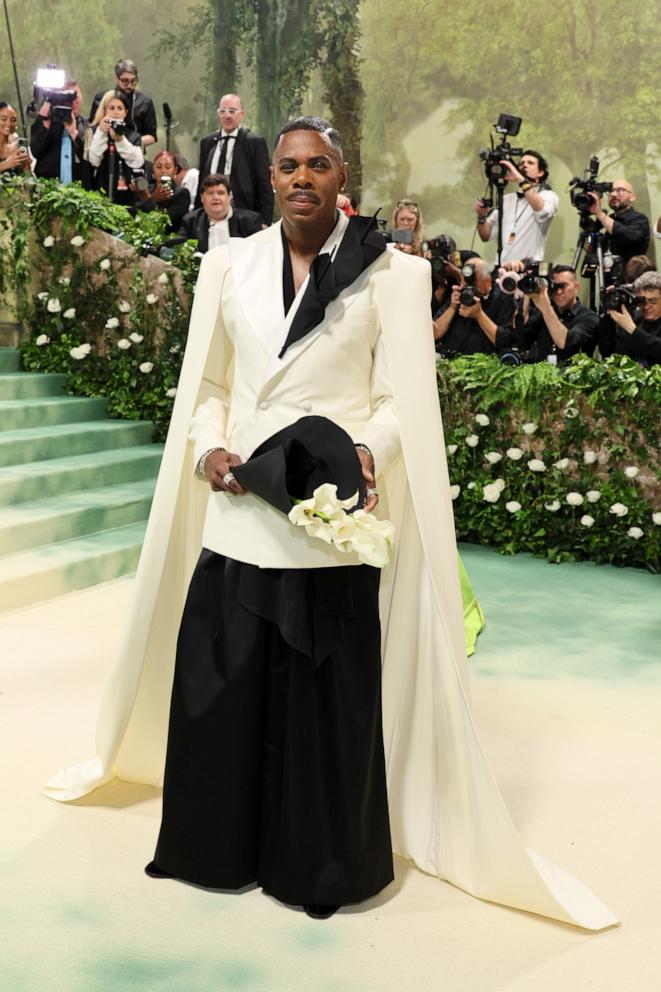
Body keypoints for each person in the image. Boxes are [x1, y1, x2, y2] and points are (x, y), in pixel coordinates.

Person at [44, 115, 616, 933]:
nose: (301, 178)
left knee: (322, 706)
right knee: (224, 690)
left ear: (341, 176)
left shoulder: (392, 273)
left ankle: (317, 861)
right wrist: (209, 448)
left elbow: (397, 401)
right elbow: (209, 384)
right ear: (268, 180)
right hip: (239, 507)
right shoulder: (228, 264)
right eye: (287, 167)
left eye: (318, 165)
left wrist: (363, 449)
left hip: (330, 518)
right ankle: (214, 851)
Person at [196, 94, 273, 225]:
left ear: (241, 114)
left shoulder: (254, 142)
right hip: (210, 217)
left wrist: (265, 221)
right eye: (223, 111)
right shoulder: (208, 142)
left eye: (232, 111)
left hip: (245, 216)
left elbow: (265, 185)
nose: (227, 116)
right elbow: (201, 182)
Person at [496, 265, 598, 363]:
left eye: (563, 286)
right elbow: (520, 334)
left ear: (576, 287)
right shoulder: (543, 315)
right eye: (555, 286)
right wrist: (527, 294)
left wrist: (545, 306)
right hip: (543, 378)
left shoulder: (589, 318)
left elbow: (565, 343)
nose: (558, 292)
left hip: (573, 378)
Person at [475, 150, 558, 263]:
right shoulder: (506, 199)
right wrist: (481, 216)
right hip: (502, 270)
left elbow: (542, 211)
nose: (524, 165)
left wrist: (520, 179)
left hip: (528, 269)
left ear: (541, 172)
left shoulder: (548, 196)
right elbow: (486, 236)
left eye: (530, 163)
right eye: (521, 163)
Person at [433, 256, 515, 355]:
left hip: (484, 365)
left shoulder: (503, 299)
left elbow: (505, 342)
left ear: (488, 282)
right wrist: (452, 308)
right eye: (464, 283)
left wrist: (479, 315)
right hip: (450, 361)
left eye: (473, 284)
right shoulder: (458, 296)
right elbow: (434, 334)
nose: (468, 289)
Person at [178, 173, 263, 252]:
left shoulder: (250, 221)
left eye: (221, 193)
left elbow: (258, 254)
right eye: (210, 193)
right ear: (202, 198)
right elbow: (181, 250)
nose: (215, 197)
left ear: (229, 196)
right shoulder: (190, 221)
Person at [87, 90, 144, 205]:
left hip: (126, 196)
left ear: (125, 112)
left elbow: (138, 162)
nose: (116, 112)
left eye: (120, 108)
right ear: (105, 111)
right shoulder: (95, 133)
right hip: (99, 193)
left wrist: (120, 140)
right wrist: (102, 132)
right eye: (111, 108)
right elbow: (94, 161)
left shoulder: (133, 136)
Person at [29, 82, 90, 185]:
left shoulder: (85, 125)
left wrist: (73, 133)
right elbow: (34, 152)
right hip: (48, 185)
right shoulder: (46, 122)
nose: (72, 102)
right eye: (67, 99)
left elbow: (88, 157)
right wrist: (45, 124)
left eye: (76, 97)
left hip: (78, 187)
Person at [89, 59, 157, 150]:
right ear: (116, 79)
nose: (129, 85)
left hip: (133, 153)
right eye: (125, 81)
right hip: (103, 151)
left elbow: (152, 137)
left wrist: (130, 142)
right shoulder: (101, 98)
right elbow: (91, 126)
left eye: (133, 81)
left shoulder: (145, 102)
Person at [600, 270, 661, 366]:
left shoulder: (630, 324)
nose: (646, 306)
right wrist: (609, 317)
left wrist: (633, 330)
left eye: (653, 301)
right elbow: (609, 354)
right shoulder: (633, 318)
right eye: (641, 301)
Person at [587, 179, 650, 265]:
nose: (613, 194)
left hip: (631, 276)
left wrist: (599, 213)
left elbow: (628, 236)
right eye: (611, 191)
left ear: (632, 197)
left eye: (620, 190)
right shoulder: (609, 219)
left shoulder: (640, 219)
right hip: (605, 276)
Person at [132, 150, 190, 230]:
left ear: (175, 171)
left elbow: (164, 223)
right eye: (159, 167)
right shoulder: (146, 189)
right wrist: (153, 198)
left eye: (168, 167)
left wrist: (149, 198)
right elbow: (134, 214)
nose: (163, 171)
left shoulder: (182, 194)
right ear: (153, 171)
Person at [0, 103, 30, 176]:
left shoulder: (19, 145)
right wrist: (6, 164)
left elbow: (27, 176)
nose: (9, 124)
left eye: (13, 120)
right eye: (4, 119)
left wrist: (26, 167)